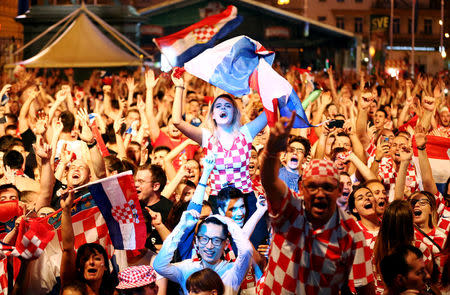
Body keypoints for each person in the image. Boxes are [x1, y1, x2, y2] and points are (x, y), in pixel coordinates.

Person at [258, 113, 374, 294]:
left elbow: (365, 287)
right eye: (312, 186)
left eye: (327, 187)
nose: (320, 194)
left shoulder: (351, 231)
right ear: (302, 189)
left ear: (339, 191)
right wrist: (272, 151)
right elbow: (270, 182)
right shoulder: (289, 209)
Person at [171, 73, 268, 247]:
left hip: (246, 198)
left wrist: (261, 80)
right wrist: (179, 87)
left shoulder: (246, 132)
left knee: (254, 247)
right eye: (219, 106)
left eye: (228, 106)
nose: (223, 108)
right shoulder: (207, 137)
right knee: (224, 249)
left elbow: (271, 111)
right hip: (219, 200)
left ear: (235, 112)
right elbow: (177, 121)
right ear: (213, 114)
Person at [153, 211, 253, 295]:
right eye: (204, 239)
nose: (209, 246)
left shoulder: (233, 271)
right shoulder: (187, 268)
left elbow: (246, 250)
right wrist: (181, 226)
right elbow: (159, 266)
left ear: (226, 244)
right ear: (196, 241)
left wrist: (229, 222)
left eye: (216, 240)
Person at [60, 190, 116, 295]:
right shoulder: (71, 289)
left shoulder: (112, 293)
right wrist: (66, 210)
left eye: (97, 258)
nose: (91, 262)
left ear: (105, 267)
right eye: (85, 259)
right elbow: (68, 248)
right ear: (79, 267)